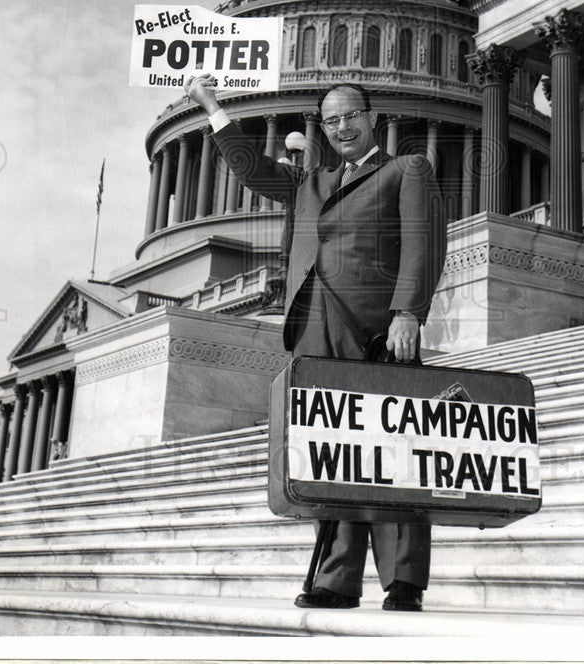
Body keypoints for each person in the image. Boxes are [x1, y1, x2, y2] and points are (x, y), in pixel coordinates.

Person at [185, 74, 446, 611]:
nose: (342, 127)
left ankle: (403, 580)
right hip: (314, 329)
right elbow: (249, 168)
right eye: (331, 120)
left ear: (372, 118)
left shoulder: (406, 169)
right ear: (322, 129)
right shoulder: (310, 183)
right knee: (331, 455)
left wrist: (407, 312)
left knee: (393, 450)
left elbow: (424, 240)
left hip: (378, 329)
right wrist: (211, 104)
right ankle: (337, 579)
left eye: (351, 116)